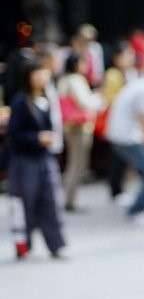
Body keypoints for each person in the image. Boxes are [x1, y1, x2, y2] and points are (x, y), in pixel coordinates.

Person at [7, 57, 67, 259]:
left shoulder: (46, 99)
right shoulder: (20, 102)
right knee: (25, 205)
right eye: (37, 73)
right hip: (25, 161)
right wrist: (37, 138)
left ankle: (56, 245)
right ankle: (23, 246)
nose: (42, 77)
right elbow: (14, 135)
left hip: (45, 159)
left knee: (51, 201)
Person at [106, 49, 144, 226]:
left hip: (121, 135)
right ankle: (137, 210)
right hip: (126, 137)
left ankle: (143, 205)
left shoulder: (141, 84)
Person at [58, 53, 103, 212]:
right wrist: (98, 99)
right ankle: (70, 200)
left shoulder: (64, 80)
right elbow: (85, 102)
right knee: (77, 164)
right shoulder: (76, 80)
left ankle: (70, 199)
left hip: (70, 127)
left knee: (73, 163)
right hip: (79, 128)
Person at [101, 41, 136, 201]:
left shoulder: (131, 73)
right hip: (117, 120)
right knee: (117, 158)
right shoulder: (113, 75)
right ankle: (116, 190)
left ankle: (121, 188)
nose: (129, 58)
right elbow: (109, 98)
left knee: (124, 158)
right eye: (126, 55)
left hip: (128, 121)